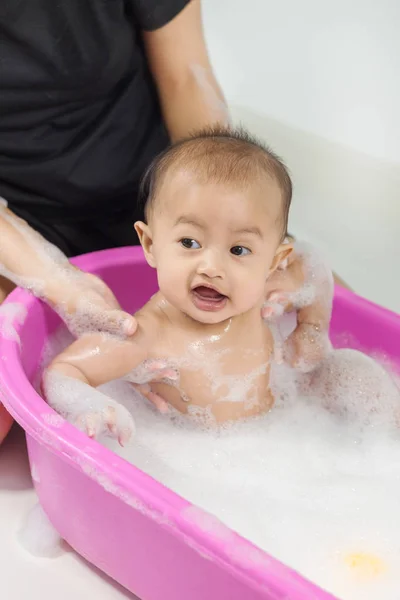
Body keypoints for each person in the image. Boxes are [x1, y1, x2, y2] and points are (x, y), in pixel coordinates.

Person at [0, 0, 229, 443]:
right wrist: (57, 280)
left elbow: (187, 76)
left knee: (304, 326)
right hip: (16, 228)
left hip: (160, 200)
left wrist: (218, 228)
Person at [42, 127, 334, 444]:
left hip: (281, 433)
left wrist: (312, 328)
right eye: (190, 242)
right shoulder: (149, 334)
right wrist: (90, 405)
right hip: (200, 453)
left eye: (239, 250)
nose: (211, 267)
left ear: (274, 261)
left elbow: (311, 270)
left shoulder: (260, 293)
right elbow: (65, 371)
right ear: (151, 244)